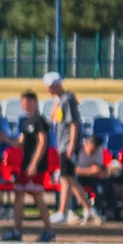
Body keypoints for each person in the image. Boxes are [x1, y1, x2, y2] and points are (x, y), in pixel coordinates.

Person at [8, 90, 52, 241]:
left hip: (36, 166)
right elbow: (21, 142)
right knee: (19, 194)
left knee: (37, 196)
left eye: (26, 102)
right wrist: (6, 140)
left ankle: (48, 229)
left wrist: (34, 163)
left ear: (33, 102)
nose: (24, 106)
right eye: (22, 103)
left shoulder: (39, 120)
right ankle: (17, 230)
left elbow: (42, 142)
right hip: (25, 165)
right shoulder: (26, 122)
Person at [46, 70, 87, 226]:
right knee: (67, 178)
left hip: (67, 144)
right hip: (63, 143)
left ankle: (64, 211)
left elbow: (74, 123)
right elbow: (53, 118)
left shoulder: (67, 99)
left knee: (66, 178)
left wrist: (71, 145)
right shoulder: (60, 100)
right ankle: (87, 209)